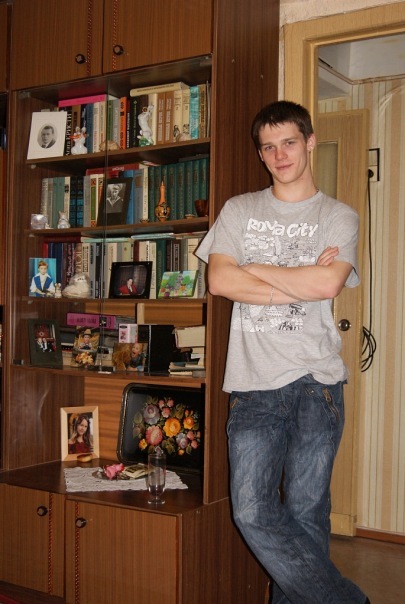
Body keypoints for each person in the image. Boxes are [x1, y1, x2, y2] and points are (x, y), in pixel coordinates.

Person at [196, 100, 370, 604]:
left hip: (318, 384)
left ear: (309, 142)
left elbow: (327, 284)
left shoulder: (339, 216)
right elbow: (219, 279)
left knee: (306, 513)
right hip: (253, 385)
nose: (280, 155)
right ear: (261, 154)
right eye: (269, 147)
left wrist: (252, 268)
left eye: (289, 142)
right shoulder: (239, 210)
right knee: (251, 510)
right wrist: (298, 280)